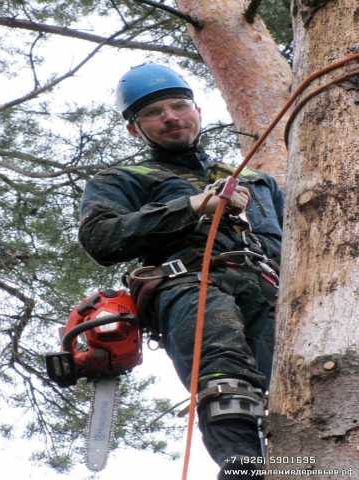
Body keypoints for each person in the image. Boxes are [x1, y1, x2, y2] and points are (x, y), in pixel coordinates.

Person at [78, 63, 284, 480]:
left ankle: (305, 464)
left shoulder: (259, 183)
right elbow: (101, 238)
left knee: (304, 386)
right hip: (190, 284)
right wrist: (191, 207)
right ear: (135, 130)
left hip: (273, 292)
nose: (170, 116)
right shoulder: (124, 179)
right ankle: (244, 468)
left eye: (178, 105)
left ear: (198, 110)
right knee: (224, 368)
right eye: (154, 112)